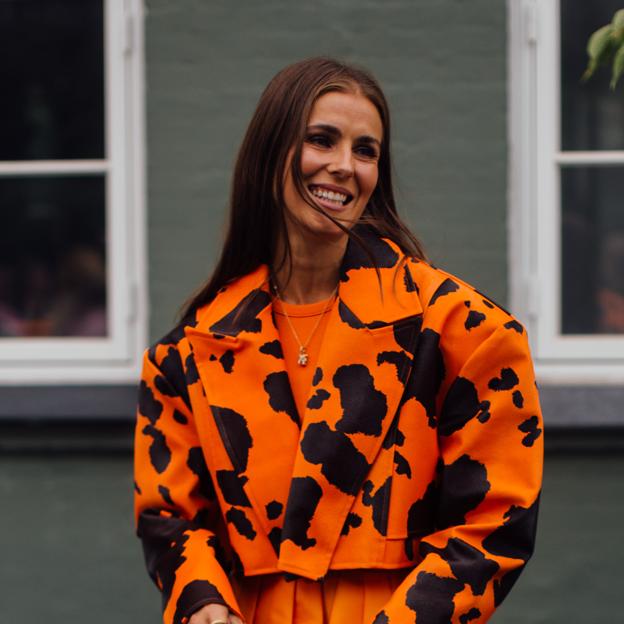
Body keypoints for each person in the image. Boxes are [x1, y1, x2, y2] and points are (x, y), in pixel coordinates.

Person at [134, 57, 543, 624]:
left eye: (366, 150)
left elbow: (496, 520)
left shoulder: (461, 331)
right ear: (269, 152)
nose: (344, 166)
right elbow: (171, 514)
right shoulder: (187, 353)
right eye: (321, 140)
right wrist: (201, 599)